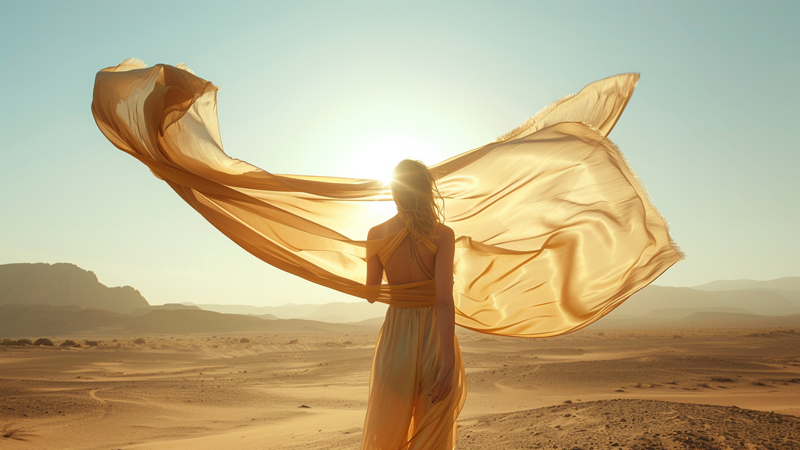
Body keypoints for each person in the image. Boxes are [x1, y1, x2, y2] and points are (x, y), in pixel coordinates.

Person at [361, 159, 465, 450]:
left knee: (387, 435)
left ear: (394, 191)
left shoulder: (376, 234)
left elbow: (371, 294)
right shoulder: (442, 234)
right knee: (431, 438)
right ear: (426, 190)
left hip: (396, 344)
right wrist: (448, 362)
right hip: (435, 341)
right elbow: (443, 301)